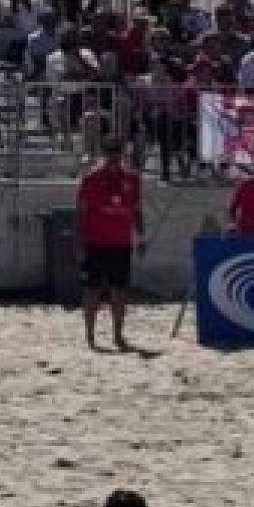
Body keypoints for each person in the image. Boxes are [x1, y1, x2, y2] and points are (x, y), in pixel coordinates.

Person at [77, 136, 144, 350]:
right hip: (95, 241)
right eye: (110, 154)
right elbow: (80, 212)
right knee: (92, 290)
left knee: (120, 290)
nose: (114, 158)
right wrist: (78, 241)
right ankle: (89, 336)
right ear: (104, 154)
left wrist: (140, 236)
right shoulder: (91, 178)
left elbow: (137, 210)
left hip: (121, 242)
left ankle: (117, 335)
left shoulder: (131, 179)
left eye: (117, 153)